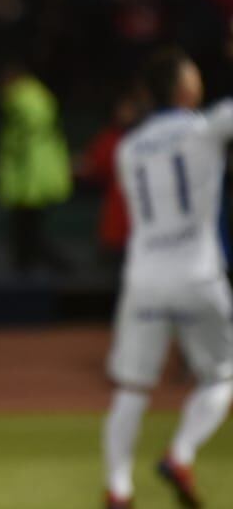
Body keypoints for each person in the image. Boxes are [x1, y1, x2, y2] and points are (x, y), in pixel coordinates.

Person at [102, 48, 233, 509]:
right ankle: (180, 454)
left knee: (132, 388)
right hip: (198, 273)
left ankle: (117, 489)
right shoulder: (206, 127)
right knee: (222, 376)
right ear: (184, 88)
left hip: (144, 277)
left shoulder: (128, 147)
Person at [0, 63, 73, 274]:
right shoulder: (36, 97)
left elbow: (26, 134)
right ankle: (29, 273)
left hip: (31, 180)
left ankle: (63, 269)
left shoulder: (24, 99)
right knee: (25, 234)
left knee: (28, 233)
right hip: (33, 178)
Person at [81, 88, 143, 272]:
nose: (126, 113)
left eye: (131, 108)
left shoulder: (148, 138)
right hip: (116, 226)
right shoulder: (109, 140)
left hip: (144, 227)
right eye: (123, 108)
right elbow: (90, 169)